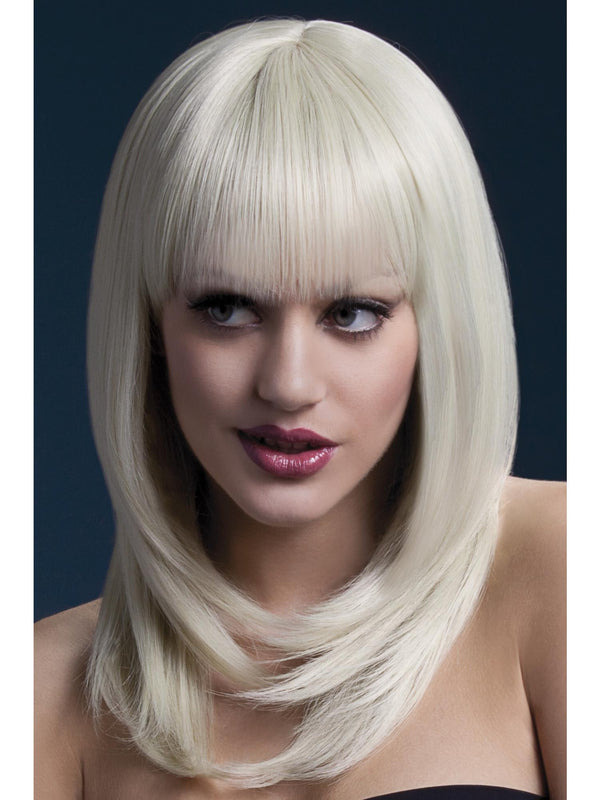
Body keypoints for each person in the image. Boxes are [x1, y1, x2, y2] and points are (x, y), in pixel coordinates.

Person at [34, 18, 565, 800]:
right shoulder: (44, 694)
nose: (287, 384)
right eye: (226, 308)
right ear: (149, 325)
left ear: (440, 325)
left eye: (351, 313)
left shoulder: (560, 568)